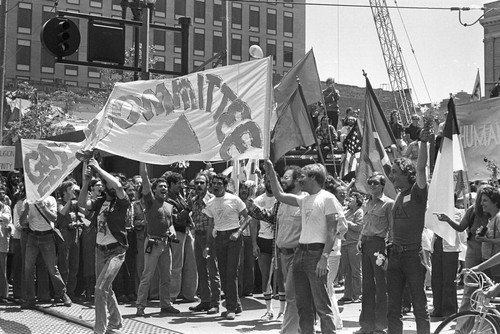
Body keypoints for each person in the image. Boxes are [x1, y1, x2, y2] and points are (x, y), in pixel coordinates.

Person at [264, 160, 344, 334]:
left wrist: (324, 257)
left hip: (317, 253)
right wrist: (271, 172)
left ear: (313, 178)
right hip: (301, 252)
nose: (299, 180)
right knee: (303, 305)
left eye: (302, 176)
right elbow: (279, 195)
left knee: (322, 305)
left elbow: (332, 230)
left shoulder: (327, 198)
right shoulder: (304, 199)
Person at [247, 165, 304, 334]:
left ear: (297, 180)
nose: (283, 180)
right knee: (292, 293)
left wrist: (270, 169)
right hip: (281, 254)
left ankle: (291, 329)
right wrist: (254, 208)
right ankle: (300, 327)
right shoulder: (280, 202)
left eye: (286, 177)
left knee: (294, 295)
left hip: (298, 254)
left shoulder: (305, 201)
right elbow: (270, 217)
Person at [78, 158, 129, 334]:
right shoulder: (100, 202)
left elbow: (120, 187)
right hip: (100, 250)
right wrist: (85, 183)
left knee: (99, 289)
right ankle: (116, 321)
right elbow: (82, 204)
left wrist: (98, 168)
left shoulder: (122, 202)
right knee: (105, 288)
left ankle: (99, 329)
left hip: (116, 251)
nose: (103, 185)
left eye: (105, 183)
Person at [386, 128, 430, 334]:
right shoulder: (398, 195)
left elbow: (421, 168)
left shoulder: (417, 191)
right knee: (393, 308)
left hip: (413, 256)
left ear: (406, 174)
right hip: (395, 255)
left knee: (420, 307)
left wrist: (423, 143)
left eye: (395, 172)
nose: (391, 175)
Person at [203, 173, 251, 320]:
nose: (216, 186)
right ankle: (235, 305)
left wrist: (239, 232)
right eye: (214, 183)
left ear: (224, 186)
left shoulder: (234, 199)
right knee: (224, 274)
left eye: (219, 183)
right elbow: (211, 225)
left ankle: (230, 308)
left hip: (233, 238)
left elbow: (247, 217)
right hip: (219, 238)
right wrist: (207, 245)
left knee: (231, 273)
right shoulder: (210, 203)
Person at [134, 162, 180, 316]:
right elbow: (145, 179)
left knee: (167, 276)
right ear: (153, 190)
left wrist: (172, 232)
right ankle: (140, 306)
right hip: (153, 243)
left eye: (165, 186)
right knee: (147, 276)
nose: (164, 188)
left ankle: (165, 304)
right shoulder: (150, 201)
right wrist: (142, 160)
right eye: (160, 186)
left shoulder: (169, 206)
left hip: (166, 245)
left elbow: (170, 224)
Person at [436, 186, 489, 312]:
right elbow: (460, 227)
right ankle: (464, 322)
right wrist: (448, 220)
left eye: (486, 200)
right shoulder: (473, 211)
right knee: (470, 287)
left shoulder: (495, 213)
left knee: (488, 287)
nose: (482, 203)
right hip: (474, 252)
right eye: (481, 199)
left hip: (490, 253)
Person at [356, 173, 394, 334]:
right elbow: (365, 226)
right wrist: (360, 240)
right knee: (367, 286)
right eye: (370, 183)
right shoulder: (367, 203)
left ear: (382, 185)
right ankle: (366, 325)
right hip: (366, 244)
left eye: (375, 183)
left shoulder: (388, 204)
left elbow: (392, 228)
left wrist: (388, 250)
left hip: (380, 246)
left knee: (380, 285)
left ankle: (381, 325)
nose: (372, 186)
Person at [250, 175, 282, 321]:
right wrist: (254, 244)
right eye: (267, 181)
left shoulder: (282, 199)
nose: (270, 183)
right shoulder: (258, 200)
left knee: (281, 276)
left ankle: (282, 311)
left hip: (280, 241)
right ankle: (269, 310)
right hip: (263, 241)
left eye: (272, 181)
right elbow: (254, 224)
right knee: (265, 276)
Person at [189, 172, 220, 315]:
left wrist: (209, 241)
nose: (199, 185)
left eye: (202, 183)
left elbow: (213, 221)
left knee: (213, 271)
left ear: (207, 185)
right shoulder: (193, 199)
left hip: (211, 238)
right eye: (197, 183)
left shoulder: (212, 200)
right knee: (201, 271)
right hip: (198, 236)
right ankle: (205, 301)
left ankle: (215, 303)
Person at [164, 172, 197, 303]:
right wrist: (188, 207)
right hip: (177, 232)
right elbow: (176, 219)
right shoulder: (167, 200)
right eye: (179, 183)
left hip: (186, 231)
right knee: (176, 265)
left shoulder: (179, 197)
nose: (181, 186)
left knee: (191, 263)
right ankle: (171, 295)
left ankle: (189, 293)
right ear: (171, 184)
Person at [56, 180, 84, 299]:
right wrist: (70, 201)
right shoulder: (59, 202)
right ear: (64, 191)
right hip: (64, 237)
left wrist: (78, 222)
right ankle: (62, 293)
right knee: (64, 267)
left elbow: (84, 213)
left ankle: (71, 292)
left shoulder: (75, 203)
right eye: (70, 189)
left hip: (75, 237)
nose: (73, 191)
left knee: (74, 266)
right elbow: (61, 212)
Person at [338, 192, 363, 305]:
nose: (349, 201)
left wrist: (346, 222)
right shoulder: (346, 211)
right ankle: (347, 294)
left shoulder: (359, 212)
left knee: (355, 271)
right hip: (344, 243)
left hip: (353, 244)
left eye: (352, 199)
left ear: (358, 201)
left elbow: (359, 227)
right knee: (346, 271)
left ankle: (357, 294)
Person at [474, 185, 500, 282]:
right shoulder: (491, 219)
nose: (481, 203)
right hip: (490, 265)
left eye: (485, 200)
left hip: (497, 267)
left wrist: (486, 240)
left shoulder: (498, 218)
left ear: (495, 201)